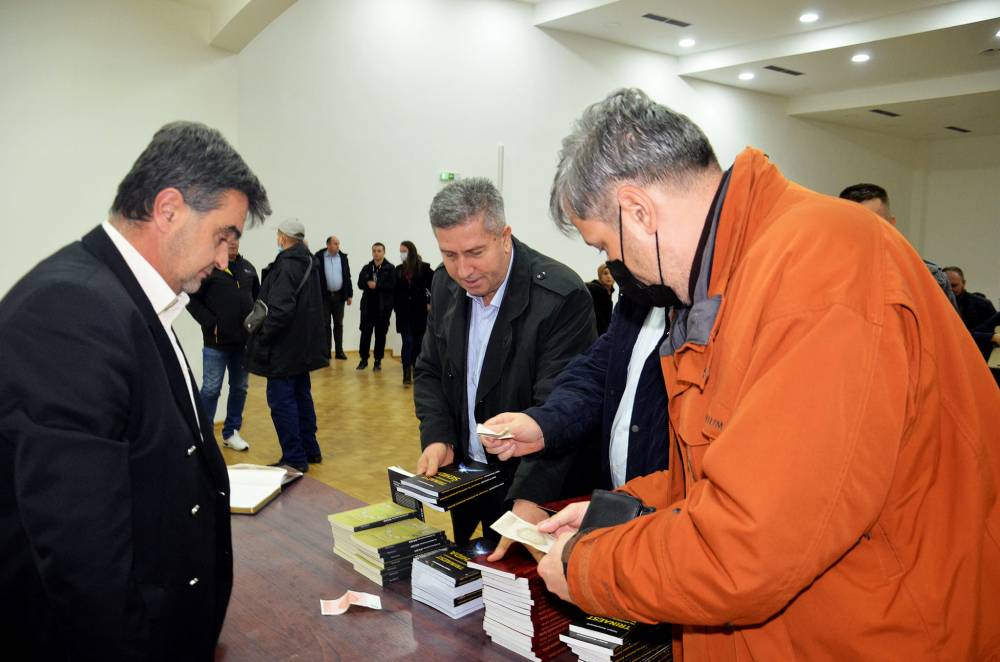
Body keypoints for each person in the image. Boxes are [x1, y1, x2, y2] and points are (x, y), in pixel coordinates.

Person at [515, 88, 998, 659]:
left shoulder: (822, 269)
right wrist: (618, 513)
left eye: (605, 246)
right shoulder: (737, 272)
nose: (615, 267)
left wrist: (589, 567)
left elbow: (748, 546)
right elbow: (730, 470)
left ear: (638, 210)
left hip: (872, 634)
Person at [0, 121, 270, 660]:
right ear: (168, 209)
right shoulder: (71, 310)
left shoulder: (123, 296)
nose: (224, 259)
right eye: (222, 235)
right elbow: (84, 559)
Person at [413, 177, 598, 544]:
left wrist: (530, 499)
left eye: (475, 252)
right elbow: (430, 370)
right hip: (468, 477)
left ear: (504, 237)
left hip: (532, 490)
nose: (463, 270)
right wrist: (439, 437)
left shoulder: (560, 297)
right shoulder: (445, 284)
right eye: (450, 255)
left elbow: (561, 408)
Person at [480, 293, 670, 561]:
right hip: (619, 507)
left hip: (668, 527)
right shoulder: (637, 298)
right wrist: (542, 424)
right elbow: (595, 373)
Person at [245, 219, 329, 473]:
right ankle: (310, 449)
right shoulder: (310, 262)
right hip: (302, 347)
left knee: (283, 403)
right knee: (302, 398)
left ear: (283, 238)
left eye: (279, 235)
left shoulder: (287, 265)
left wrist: (263, 336)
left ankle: (294, 457)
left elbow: (280, 311)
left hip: (283, 349)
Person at [186, 234, 259, 451]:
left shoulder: (248, 269)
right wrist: (211, 323)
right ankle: (204, 435)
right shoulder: (208, 269)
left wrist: (255, 328)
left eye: (236, 239)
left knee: (240, 388)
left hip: (243, 344)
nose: (233, 243)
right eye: (229, 240)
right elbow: (191, 298)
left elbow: (258, 300)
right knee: (211, 389)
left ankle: (231, 432)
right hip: (215, 344)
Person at [839, 183, 958, 308]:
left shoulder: (929, 278)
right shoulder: (830, 274)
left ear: (892, 224)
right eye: (857, 225)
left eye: (878, 224)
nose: (867, 233)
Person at [393, 240, 434, 385]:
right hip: (403, 313)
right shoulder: (398, 270)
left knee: (418, 342)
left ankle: (417, 369)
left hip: (419, 312)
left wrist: (430, 302)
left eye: (404, 251)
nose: (402, 254)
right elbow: (395, 291)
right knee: (407, 341)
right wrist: (395, 307)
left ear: (411, 252)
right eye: (400, 251)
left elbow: (434, 286)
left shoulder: (424, 268)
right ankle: (406, 372)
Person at [356, 242, 395, 371]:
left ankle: (378, 361)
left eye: (379, 251)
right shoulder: (367, 267)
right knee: (365, 334)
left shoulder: (390, 268)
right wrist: (367, 283)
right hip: (368, 307)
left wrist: (377, 286)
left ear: (384, 252)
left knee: (380, 335)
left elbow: (392, 286)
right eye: (374, 251)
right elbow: (359, 284)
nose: (376, 253)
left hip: (383, 309)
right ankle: (363, 359)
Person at [315, 235, 353, 360]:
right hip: (324, 297)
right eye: (335, 243)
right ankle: (326, 352)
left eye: (338, 243)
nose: (338, 246)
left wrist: (349, 295)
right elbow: (315, 277)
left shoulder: (343, 258)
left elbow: (347, 276)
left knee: (338, 324)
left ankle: (339, 351)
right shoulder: (319, 257)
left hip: (339, 297)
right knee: (325, 324)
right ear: (328, 245)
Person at [943, 265, 996, 334]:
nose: (949, 289)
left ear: (963, 283)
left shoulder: (983, 305)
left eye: (954, 286)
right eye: (945, 285)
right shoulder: (933, 305)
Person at [585, 263, 615, 334]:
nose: (609, 276)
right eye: (605, 273)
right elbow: (599, 319)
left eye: (612, 273)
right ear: (600, 275)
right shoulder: (598, 290)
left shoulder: (607, 293)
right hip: (595, 333)